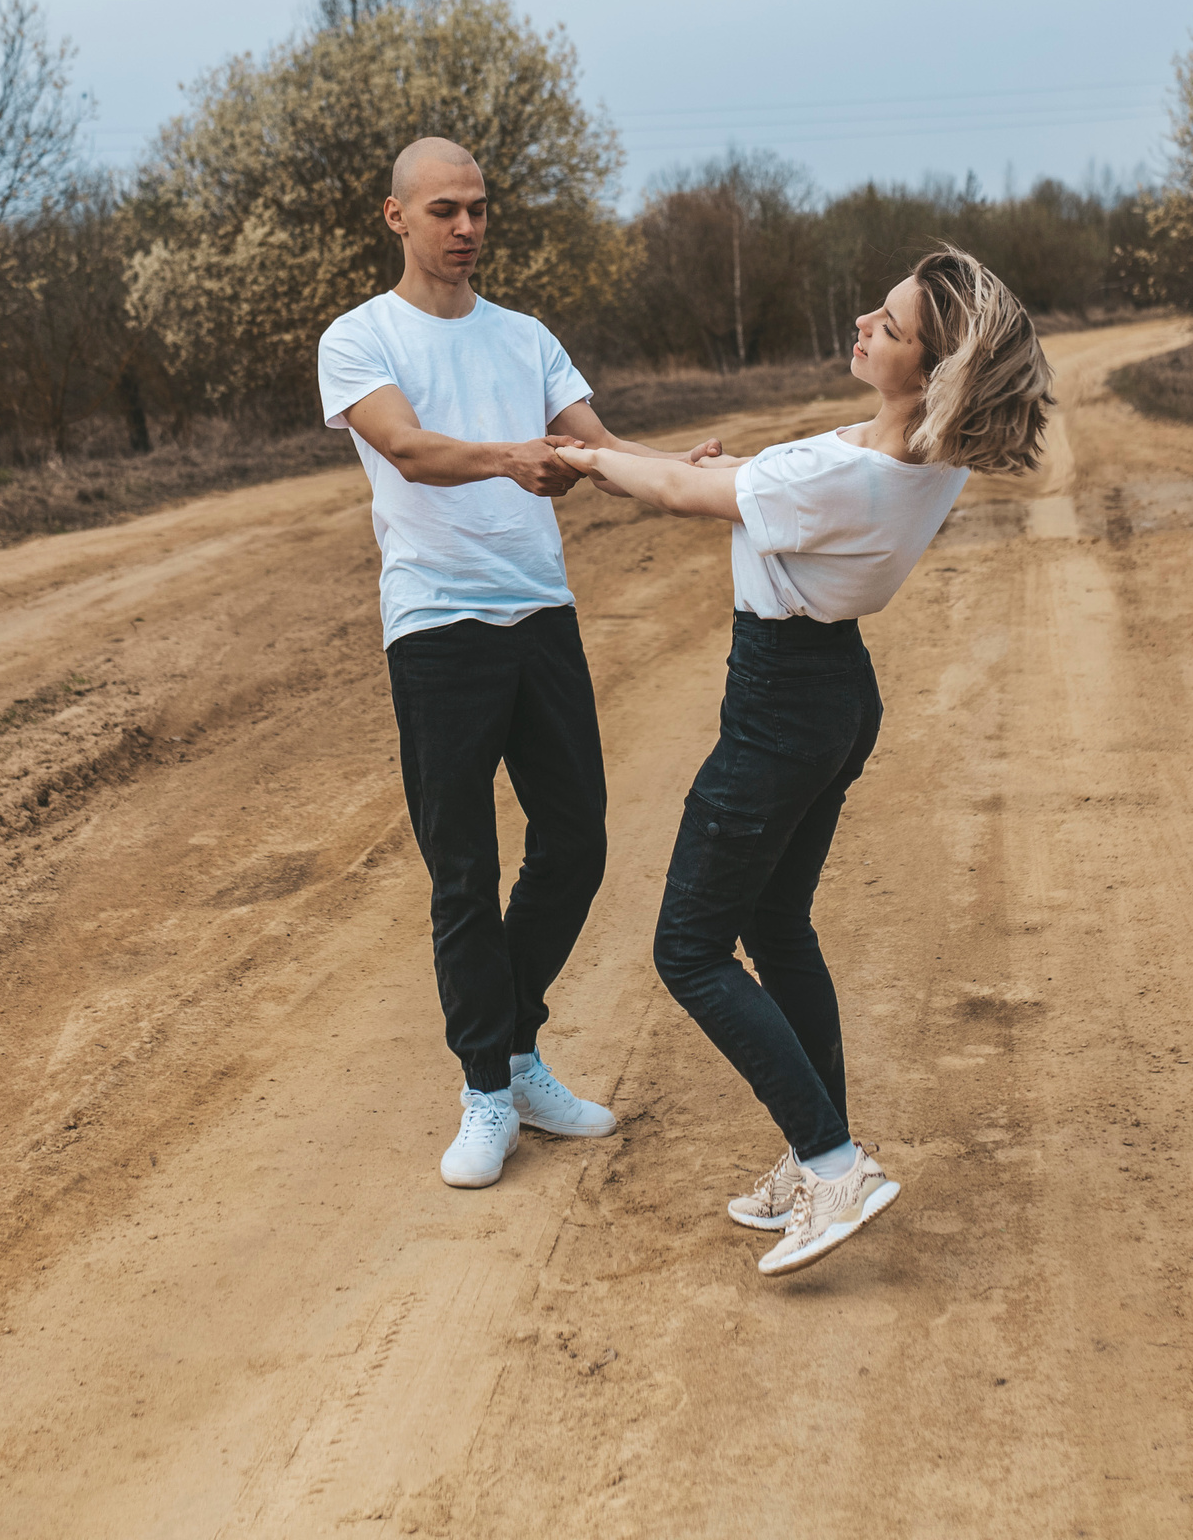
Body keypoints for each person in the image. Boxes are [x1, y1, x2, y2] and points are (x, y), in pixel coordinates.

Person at [555, 245, 1053, 1275]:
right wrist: (664, 465)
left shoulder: (844, 474)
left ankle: (833, 1165)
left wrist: (585, 459)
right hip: (831, 692)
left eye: (890, 326)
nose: (865, 324)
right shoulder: (923, 451)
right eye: (876, 309)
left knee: (689, 949)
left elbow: (685, 495)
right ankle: (815, 1150)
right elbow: (738, 482)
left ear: (933, 371)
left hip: (781, 703)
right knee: (776, 925)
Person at [318, 136, 721, 1190]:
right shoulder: (359, 337)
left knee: (577, 844)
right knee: (463, 871)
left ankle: (511, 1046)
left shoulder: (525, 336)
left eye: (479, 208)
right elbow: (409, 450)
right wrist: (514, 456)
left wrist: (676, 468)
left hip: (539, 614)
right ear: (396, 218)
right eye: (443, 210)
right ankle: (487, 1093)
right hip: (435, 627)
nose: (467, 227)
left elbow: (595, 443)